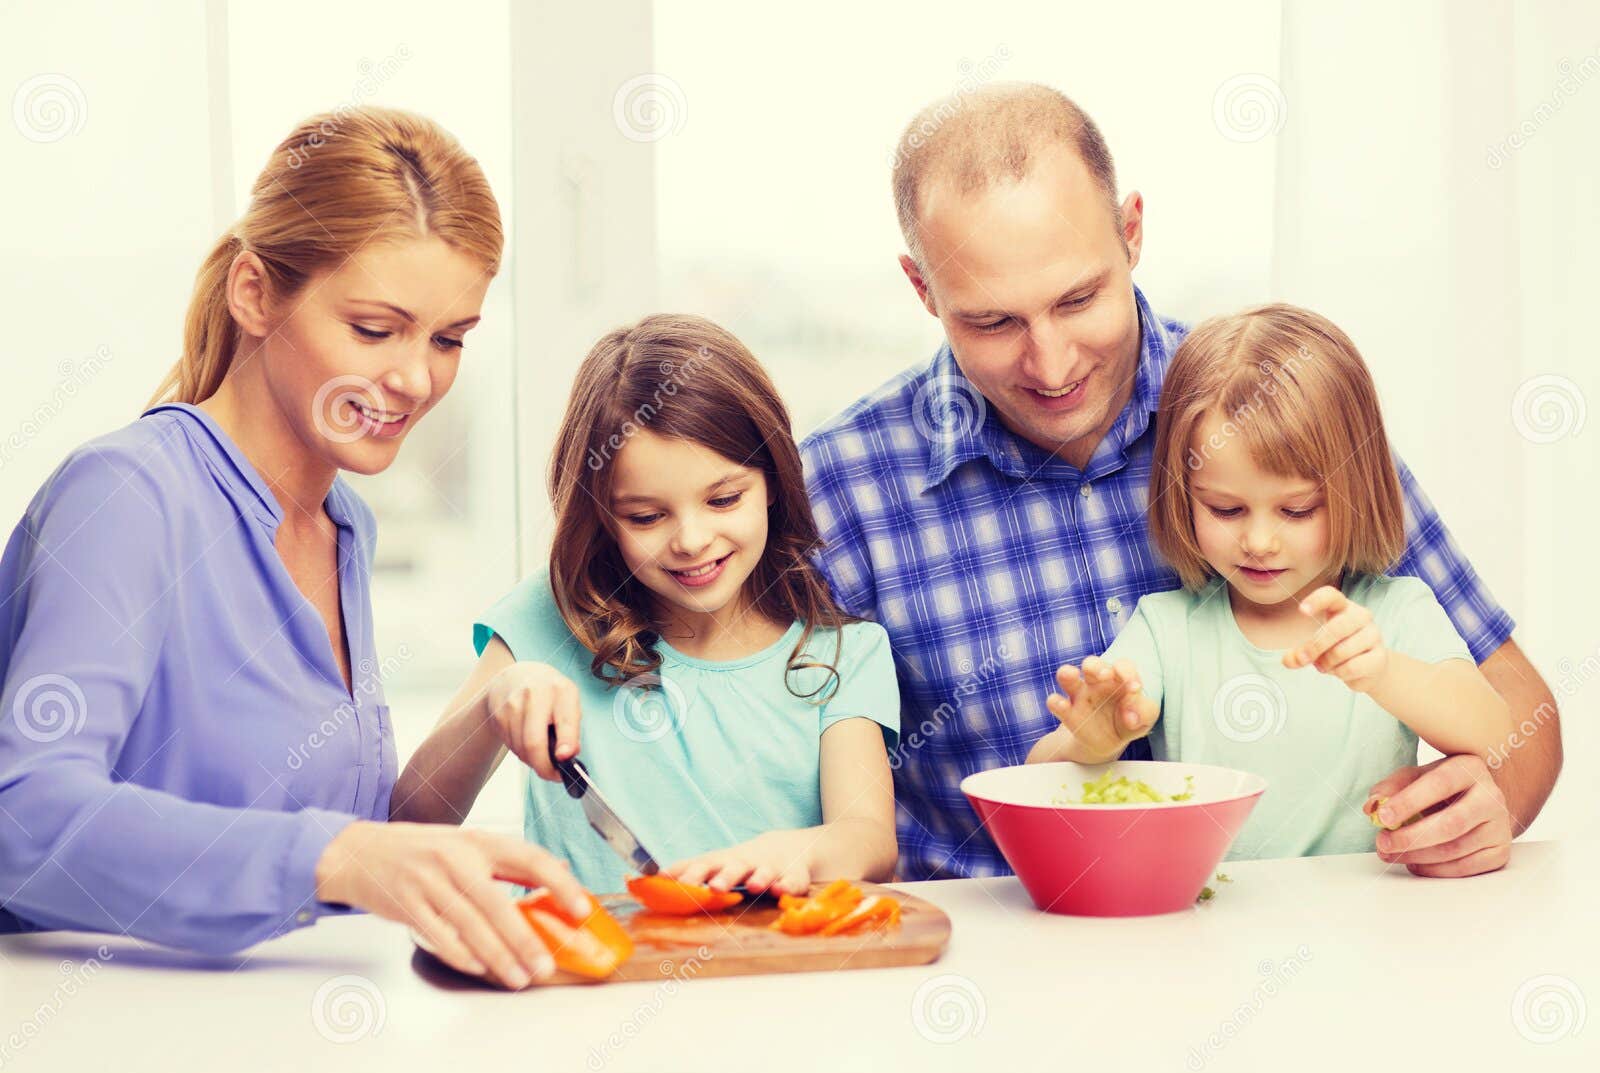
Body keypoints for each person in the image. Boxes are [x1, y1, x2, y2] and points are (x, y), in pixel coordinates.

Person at [800, 82, 1559, 880]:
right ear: (923, 289)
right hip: (987, 963)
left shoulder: (1273, 411)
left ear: (1131, 233)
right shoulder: (839, 488)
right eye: (993, 321)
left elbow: (1520, 712)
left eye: (1079, 298)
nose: (1051, 365)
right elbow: (775, 794)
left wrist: (1484, 804)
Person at [0, 108, 588, 990]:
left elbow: (338, 841)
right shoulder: (129, 496)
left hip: (292, 1040)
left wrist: (491, 704)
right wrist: (341, 856)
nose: (416, 379)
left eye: (449, 339)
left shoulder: (345, 526)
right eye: (373, 328)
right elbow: (23, 819)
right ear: (255, 294)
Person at [393, 314, 900, 896]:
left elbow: (869, 839)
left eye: (724, 499)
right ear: (602, 519)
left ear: (775, 484)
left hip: (765, 971)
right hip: (578, 973)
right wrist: (489, 708)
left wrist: (794, 852)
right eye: (646, 517)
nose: (689, 540)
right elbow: (413, 820)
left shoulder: (843, 654)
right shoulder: (552, 615)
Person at [1028, 304, 1516, 862]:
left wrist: (1384, 673)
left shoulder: (1399, 612)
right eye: (1227, 509)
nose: (1259, 541)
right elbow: (1040, 777)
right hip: (1210, 925)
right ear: (1184, 497)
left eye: (1298, 510)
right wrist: (1090, 740)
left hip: (1372, 924)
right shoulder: (1166, 628)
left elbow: (1496, 732)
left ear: (1356, 490)